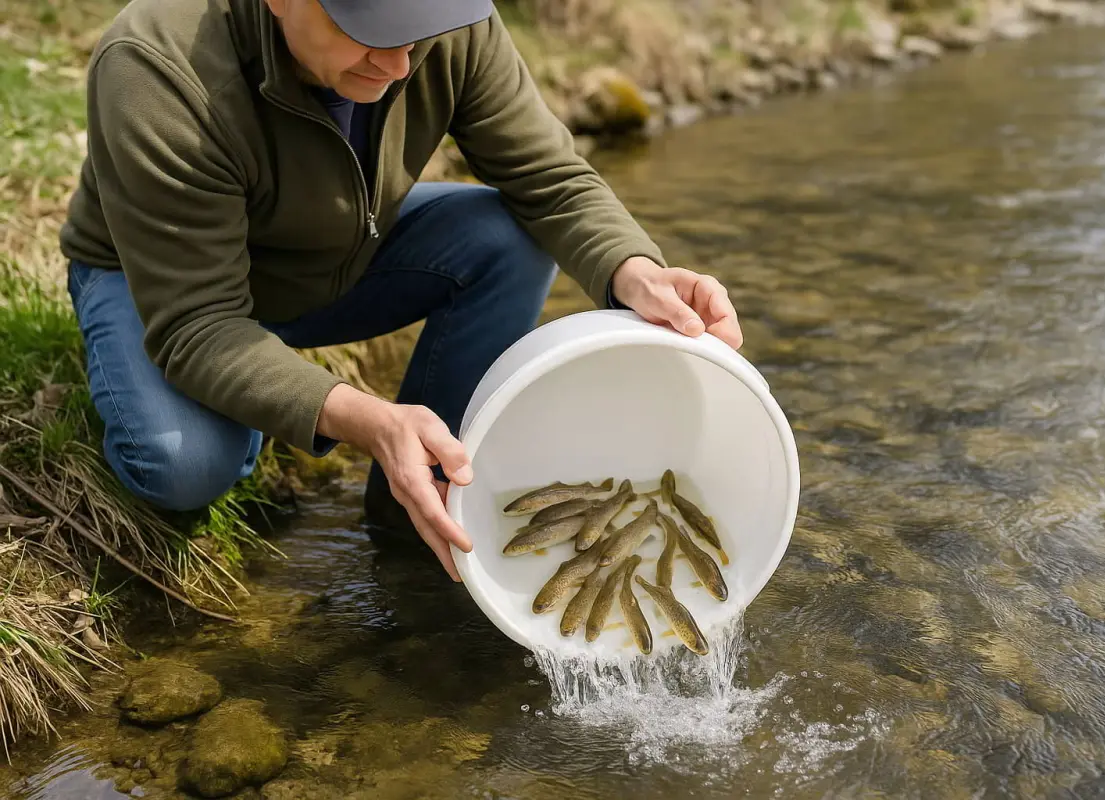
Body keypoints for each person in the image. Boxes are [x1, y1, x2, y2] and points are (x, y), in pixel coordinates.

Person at [58, 0, 743, 582]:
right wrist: (365, 418)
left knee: (506, 236)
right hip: (163, 282)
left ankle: (419, 498)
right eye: (373, 32)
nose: (397, 66)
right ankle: (248, 412)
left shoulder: (446, 24)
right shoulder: (155, 67)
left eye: (414, 34)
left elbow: (551, 180)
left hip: (336, 252)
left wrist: (638, 271)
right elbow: (198, 324)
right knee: (187, 467)